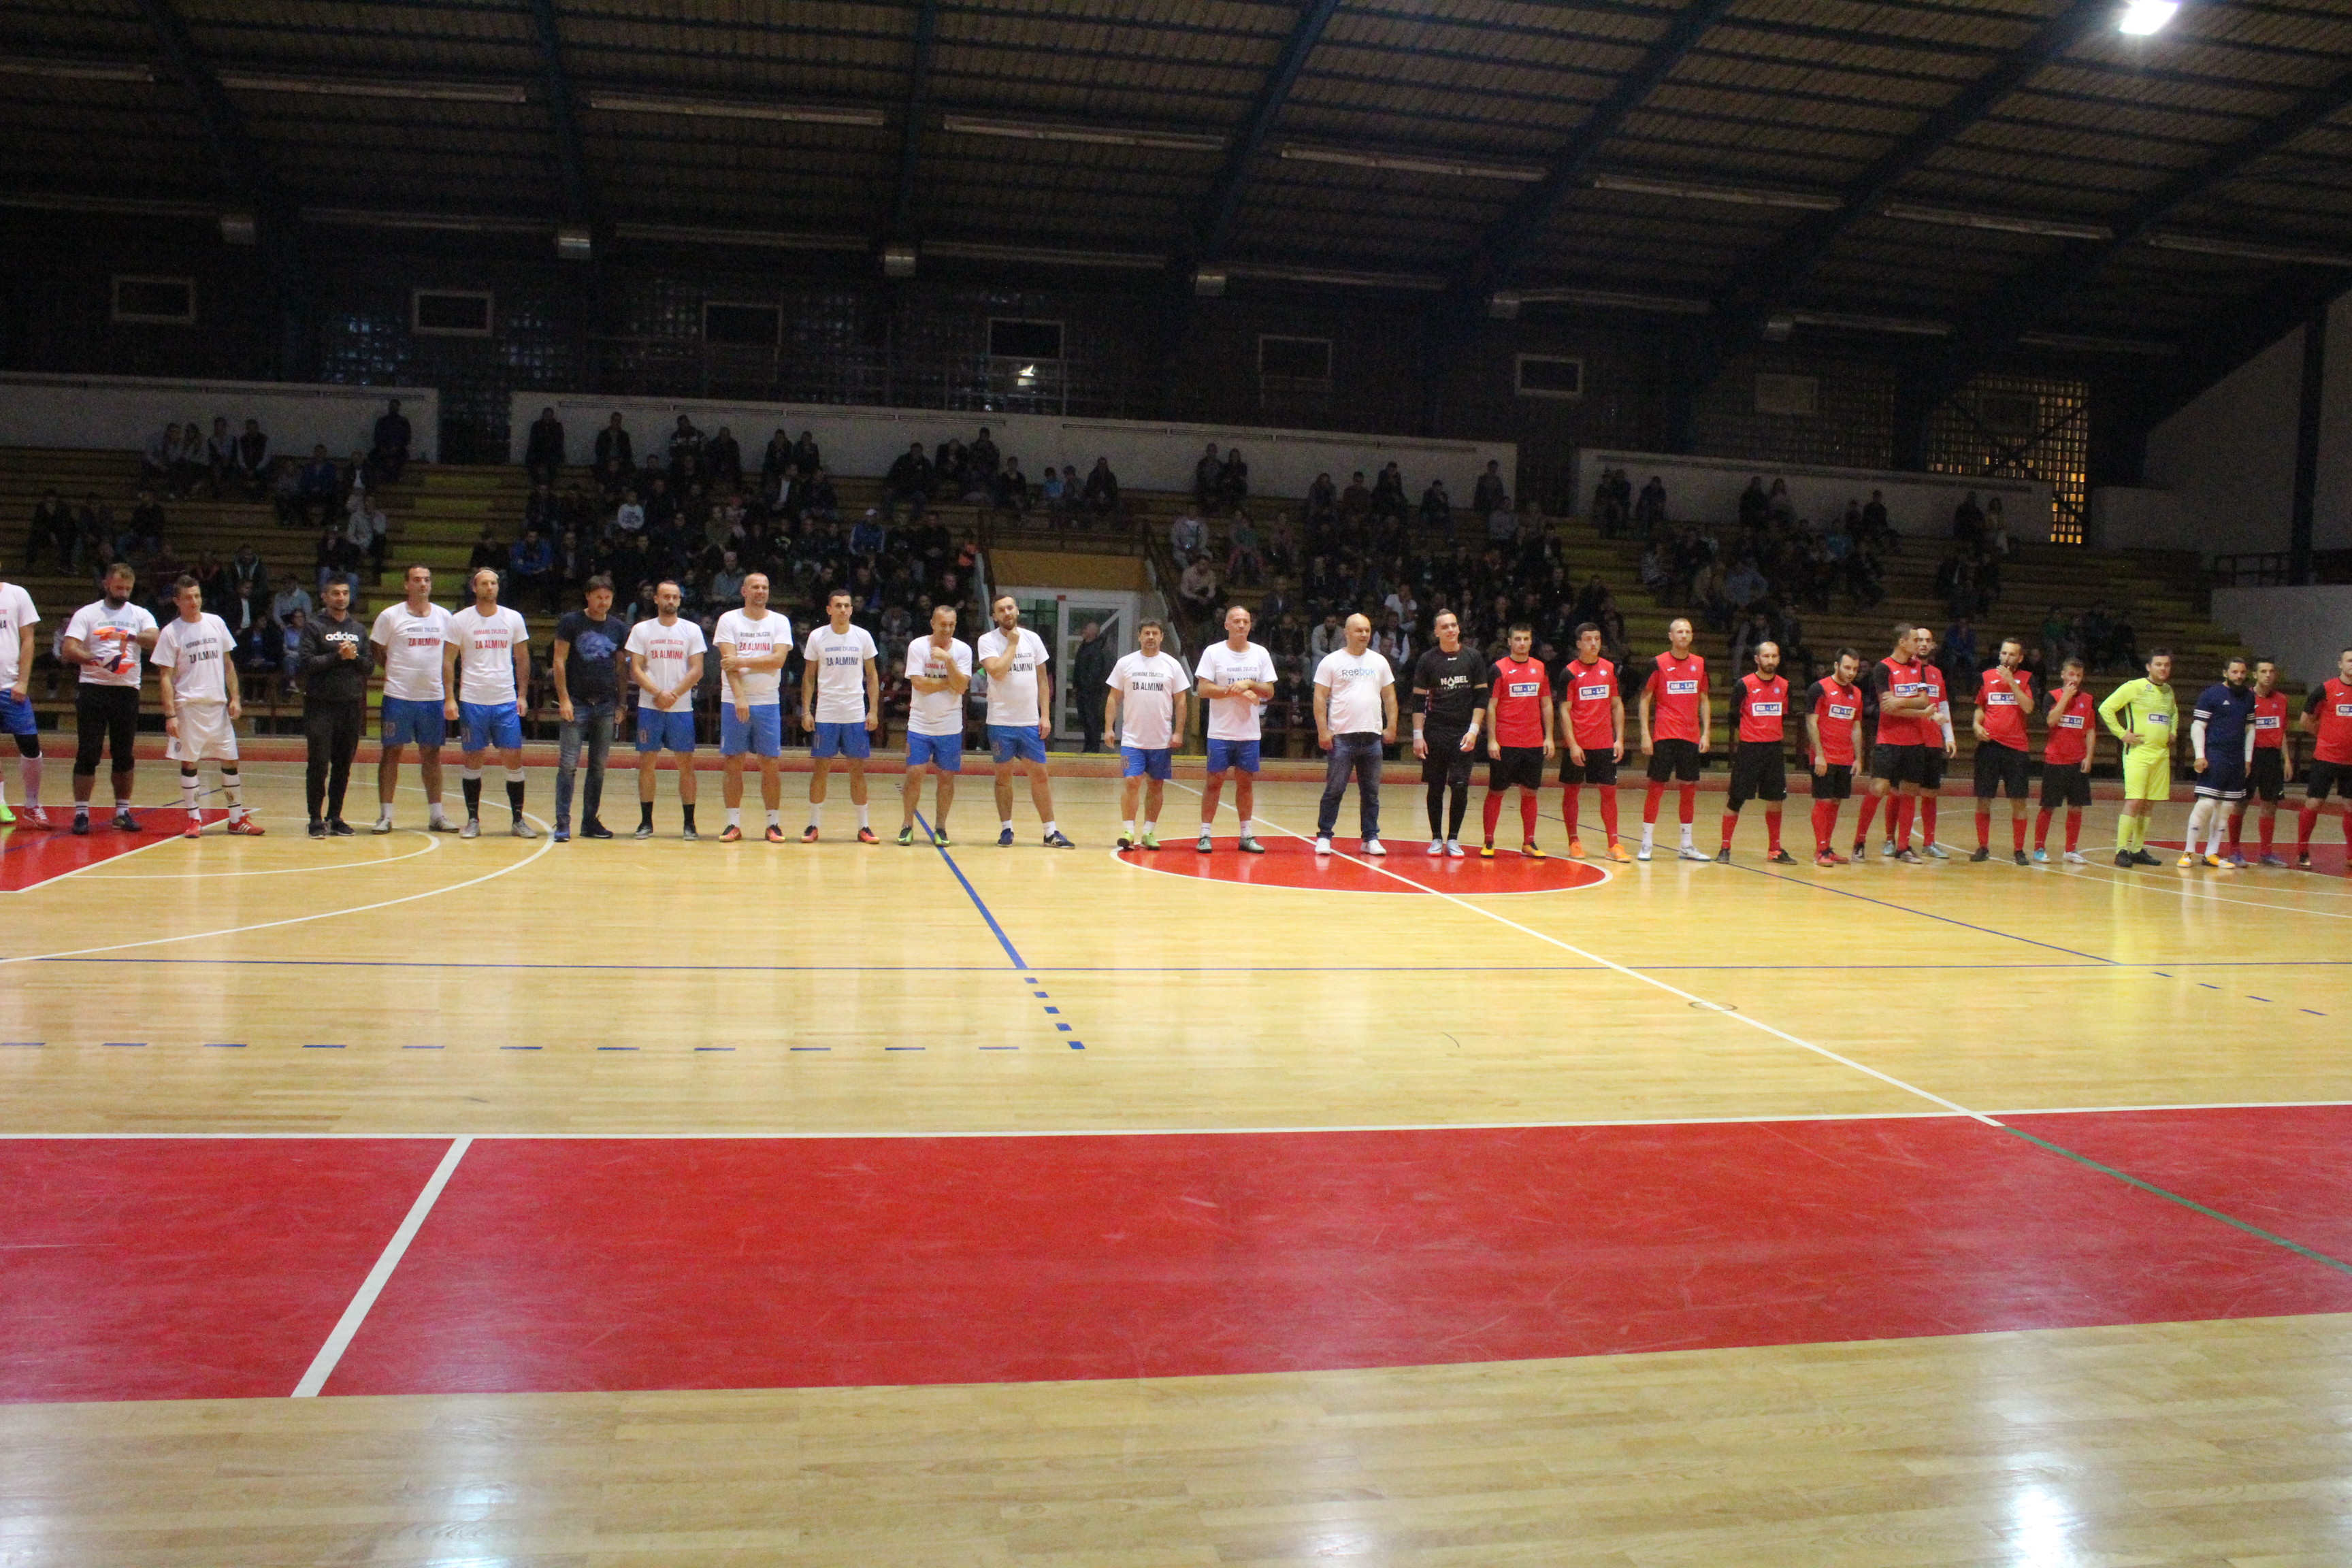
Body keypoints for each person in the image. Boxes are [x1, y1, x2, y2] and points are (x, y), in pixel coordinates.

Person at [152, 574, 261, 840]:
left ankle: (236, 819)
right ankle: (194, 819)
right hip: (188, 706)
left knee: (230, 760)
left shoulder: (216, 623)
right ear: (177, 601)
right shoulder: (171, 632)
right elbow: (165, 677)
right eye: (188, 597)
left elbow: (228, 664)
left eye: (197, 596)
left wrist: (235, 697)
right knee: (190, 762)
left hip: (217, 706)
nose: (194, 601)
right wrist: (170, 714)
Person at [61, 564, 159, 835]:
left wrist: (127, 635)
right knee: (88, 752)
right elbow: (68, 648)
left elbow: (155, 639)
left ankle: (122, 812)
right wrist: (94, 659)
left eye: (128, 588)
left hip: (126, 690)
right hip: (93, 688)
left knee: (124, 754)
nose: (123, 592)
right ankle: (81, 813)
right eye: (119, 588)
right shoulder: (88, 613)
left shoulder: (140, 614)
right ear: (106, 584)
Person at [441, 567, 536, 840]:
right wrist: (450, 697)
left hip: (505, 700)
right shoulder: (460, 620)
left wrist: (522, 695)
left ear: (498, 587)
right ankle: (473, 820)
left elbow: (523, 658)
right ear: (474, 588)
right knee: (473, 759)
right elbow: (448, 660)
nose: (489, 587)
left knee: (513, 758)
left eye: (493, 583)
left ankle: (518, 820)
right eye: (484, 583)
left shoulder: (513, 618)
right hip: (473, 700)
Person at [370, 566, 459, 834]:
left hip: (432, 697)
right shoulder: (390, 616)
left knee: (432, 754)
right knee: (391, 752)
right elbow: (377, 649)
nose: (422, 584)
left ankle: (437, 815)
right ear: (406, 584)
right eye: (417, 579)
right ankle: (386, 815)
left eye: (427, 580)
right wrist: (395, 672)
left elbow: (451, 656)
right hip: (399, 696)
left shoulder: (444, 617)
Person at [977, 595, 1072, 847]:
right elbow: (997, 672)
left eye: (1010, 608)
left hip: (1029, 722)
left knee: (1040, 776)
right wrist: (1012, 644)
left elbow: (1043, 680)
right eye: (1001, 610)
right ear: (995, 616)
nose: (1007, 613)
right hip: (1000, 722)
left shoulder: (1033, 639)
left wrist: (1045, 715)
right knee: (1003, 778)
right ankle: (1006, 829)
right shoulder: (987, 641)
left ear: (1017, 610)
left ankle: (1050, 832)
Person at [549, 574, 629, 842]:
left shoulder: (618, 627)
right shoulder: (571, 622)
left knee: (598, 768)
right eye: (598, 597)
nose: (603, 602)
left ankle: (590, 821)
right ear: (588, 597)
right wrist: (564, 699)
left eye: (607, 598)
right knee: (568, 765)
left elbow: (621, 668)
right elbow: (559, 661)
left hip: (606, 704)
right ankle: (562, 822)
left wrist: (622, 703)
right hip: (577, 702)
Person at [625, 579, 706, 840]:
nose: (671, 601)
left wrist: (674, 695)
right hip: (650, 706)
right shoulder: (641, 630)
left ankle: (689, 824)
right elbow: (635, 669)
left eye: (675, 597)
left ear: (680, 600)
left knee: (686, 765)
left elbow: (697, 669)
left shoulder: (692, 630)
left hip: (680, 708)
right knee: (647, 764)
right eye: (666, 596)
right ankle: (646, 822)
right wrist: (658, 693)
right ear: (656, 599)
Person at [714, 572, 791, 843]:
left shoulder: (780, 621)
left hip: (768, 701)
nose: (761, 591)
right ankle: (733, 824)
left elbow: (778, 660)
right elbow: (728, 663)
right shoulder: (729, 620)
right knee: (733, 763)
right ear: (744, 591)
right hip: (734, 701)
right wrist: (740, 697)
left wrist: (742, 661)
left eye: (765, 587)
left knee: (770, 765)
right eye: (755, 587)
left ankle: (773, 824)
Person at [1311, 612, 1398, 856]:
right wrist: (1323, 731)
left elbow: (1389, 697)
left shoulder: (1379, 661)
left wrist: (1392, 726)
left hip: (1372, 738)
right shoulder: (1331, 662)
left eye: (1367, 630)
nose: (1364, 634)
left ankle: (1370, 838)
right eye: (1359, 630)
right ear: (1346, 633)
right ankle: (1324, 836)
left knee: (1371, 793)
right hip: (1342, 738)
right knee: (1334, 790)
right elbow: (1320, 698)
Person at [800, 588, 881, 843]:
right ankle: (813, 824)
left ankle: (864, 826)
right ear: (829, 609)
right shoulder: (817, 636)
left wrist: (873, 710)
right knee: (820, 771)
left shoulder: (863, 636)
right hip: (826, 713)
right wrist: (806, 710)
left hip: (855, 713)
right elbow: (809, 677)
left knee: (857, 771)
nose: (843, 610)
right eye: (838, 606)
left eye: (847, 605)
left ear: (852, 610)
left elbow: (872, 676)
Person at [1852, 625, 1938, 865]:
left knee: (1910, 792)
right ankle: (1859, 843)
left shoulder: (1918, 667)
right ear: (1902, 642)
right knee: (1878, 789)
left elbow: (1924, 700)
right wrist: (1918, 711)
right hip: (1889, 740)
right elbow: (1887, 708)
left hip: (1915, 741)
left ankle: (1904, 847)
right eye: (1915, 640)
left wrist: (1900, 701)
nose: (1920, 644)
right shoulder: (1883, 668)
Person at [1194, 604, 1275, 855]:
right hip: (1220, 732)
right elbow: (1203, 689)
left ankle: (1246, 835)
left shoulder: (1260, 653)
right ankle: (1205, 834)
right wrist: (1235, 691)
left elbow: (1269, 691)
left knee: (1246, 783)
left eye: (1246, 621)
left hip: (1248, 733)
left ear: (1250, 626)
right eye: (1236, 621)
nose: (1241, 625)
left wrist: (1249, 683)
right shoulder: (1213, 652)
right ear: (1227, 625)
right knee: (1214, 782)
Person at [1106, 619, 1191, 851]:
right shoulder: (1126, 663)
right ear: (1139, 636)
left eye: (1155, 633)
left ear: (1162, 637)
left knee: (1156, 785)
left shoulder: (1172, 665)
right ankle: (1128, 831)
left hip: (1161, 740)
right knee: (1132, 781)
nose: (1151, 637)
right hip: (1133, 739)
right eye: (1146, 633)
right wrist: (1109, 727)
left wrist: (1179, 731)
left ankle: (1148, 832)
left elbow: (1181, 701)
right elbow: (1113, 697)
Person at [1410, 609, 1486, 858]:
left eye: (1454, 625)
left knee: (1461, 785)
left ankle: (1453, 839)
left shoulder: (1473, 657)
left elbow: (1481, 699)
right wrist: (1418, 735)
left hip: (1463, 732)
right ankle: (1436, 838)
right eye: (1445, 627)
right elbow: (1418, 702)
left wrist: (1473, 731)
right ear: (1436, 632)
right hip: (1435, 731)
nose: (1451, 630)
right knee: (1436, 786)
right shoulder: (1427, 660)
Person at [297, 576, 369, 836]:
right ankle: (315, 819)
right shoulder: (314, 627)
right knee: (318, 763)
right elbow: (306, 663)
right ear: (325, 597)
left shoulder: (358, 629)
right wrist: (338, 656)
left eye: (345, 593)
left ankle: (335, 816)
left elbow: (369, 667)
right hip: (320, 705)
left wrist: (354, 656)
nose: (341, 598)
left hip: (350, 705)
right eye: (336, 593)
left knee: (343, 764)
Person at [1635, 617, 1710, 862]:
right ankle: (1646, 843)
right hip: (1664, 735)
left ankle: (1686, 845)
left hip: (1690, 736)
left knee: (1688, 789)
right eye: (1679, 631)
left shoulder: (1700, 664)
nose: (1684, 635)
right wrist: (1645, 734)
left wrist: (1706, 732)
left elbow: (1704, 700)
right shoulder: (1657, 663)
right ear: (1671, 636)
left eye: (1688, 631)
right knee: (1656, 787)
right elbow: (1645, 699)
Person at [2097, 648, 2178, 868]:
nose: (2163, 669)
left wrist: (2173, 731)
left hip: (2160, 754)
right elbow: (2106, 708)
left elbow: (2173, 712)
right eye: (2159, 665)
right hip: (2138, 754)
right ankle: (2121, 850)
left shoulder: (2168, 691)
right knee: (2134, 801)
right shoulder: (2134, 687)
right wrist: (2122, 734)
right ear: (2149, 667)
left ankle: (2137, 849)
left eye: (2167, 665)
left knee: (2148, 803)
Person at [900, 604, 973, 846]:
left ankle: (941, 827)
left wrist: (949, 662)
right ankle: (907, 825)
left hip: (950, 726)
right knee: (914, 775)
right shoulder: (918, 646)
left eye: (952, 625)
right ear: (933, 624)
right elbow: (919, 684)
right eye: (943, 624)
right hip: (920, 723)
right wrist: (950, 683)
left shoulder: (962, 650)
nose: (947, 629)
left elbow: (962, 687)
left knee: (946, 778)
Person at [1556, 621, 1627, 862]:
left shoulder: (1609, 669)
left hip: (1604, 743)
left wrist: (1619, 739)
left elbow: (1616, 705)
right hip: (1579, 744)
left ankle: (1614, 844)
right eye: (1588, 639)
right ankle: (1574, 841)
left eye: (1597, 638)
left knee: (1609, 793)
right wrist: (1573, 744)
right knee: (1572, 792)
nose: (1594, 643)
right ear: (1579, 644)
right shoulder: (1569, 673)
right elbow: (1564, 711)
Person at [1481, 623, 1553, 859]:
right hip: (1506, 741)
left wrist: (1549, 737)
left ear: (1531, 642)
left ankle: (1529, 842)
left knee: (1530, 793)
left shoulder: (1540, 668)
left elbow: (1546, 703)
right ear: (1510, 642)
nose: (1522, 643)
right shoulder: (1498, 669)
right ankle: (1489, 841)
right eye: (1518, 639)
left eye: (1526, 639)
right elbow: (1491, 706)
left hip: (1533, 742)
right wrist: (1492, 740)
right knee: (1497, 791)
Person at [1718, 640, 1793, 862]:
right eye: (1766, 656)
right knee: (1736, 799)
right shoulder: (1744, 685)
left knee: (1776, 799)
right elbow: (1733, 716)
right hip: (1749, 750)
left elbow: (1784, 714)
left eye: (1774, 656)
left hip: (1774, 750)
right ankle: (1725, 848)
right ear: (1757, 659)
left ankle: (1775, 850)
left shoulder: (1785, 686)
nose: (1771, 660)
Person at [2183, 657, 2255, 869]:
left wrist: (2248, 759)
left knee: (2226, 808)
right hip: (2215, 756)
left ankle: (2211, 854)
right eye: (2235, 672)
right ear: (2225, 673)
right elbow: (2198, 726)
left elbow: (2250, 729)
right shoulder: (2211, 694)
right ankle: (2188, 852)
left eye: (2242, 672)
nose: (2239, 676)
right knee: (2206, 804)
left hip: (2236, 759)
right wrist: (2200, 755)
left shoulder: (2249, 697)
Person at [1969, 637, 2036, 865]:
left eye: (2012, 654)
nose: (2006, 658)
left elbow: (2028, 707)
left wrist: (2012, 683)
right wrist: (1976, 725)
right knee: (1983, 799)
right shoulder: (1986, 677)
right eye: (2004, 653)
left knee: (2018, 801)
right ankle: (1983, 847)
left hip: (2016, 749)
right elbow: (1981, 707)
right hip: (1989, 747)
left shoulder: (2027, 679)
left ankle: (2019, 850)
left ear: (2020, 658)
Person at [2032, 657, 2097, 864]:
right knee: (2048, 807)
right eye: (2071, 674)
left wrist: (2089, 756)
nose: (2075, 679)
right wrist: (2066, 698)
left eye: (2079, 675)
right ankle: (2039, 848)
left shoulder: (2088, 699)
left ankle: (2071, 850)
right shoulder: (2052, 696)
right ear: (2062, 675)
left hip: (2077, 762)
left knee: (2076, 807)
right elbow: (2051, 721)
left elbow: (2090, 730)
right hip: (2055, 761)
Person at [1804, 649, 1865, 866]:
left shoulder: (1857, 693)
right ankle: (1820, 850)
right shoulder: (1819, 688)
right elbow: (1811, 723)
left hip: (1845, 758)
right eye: (1847, 668)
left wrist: (1858, 758)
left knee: (1836, 802)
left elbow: (1856, 726)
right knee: (1824, 801)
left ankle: (1827, 848)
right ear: (1836, 666)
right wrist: (1819, 755)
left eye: (1855, 669)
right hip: (1824, 757)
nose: (1851, 673)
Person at [2293, 645, 2352, 868]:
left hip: (2351, 761)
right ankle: (2302, 850)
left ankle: (2351, 854)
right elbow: (2305, 720)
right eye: (2349, 661)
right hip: (2326, 758)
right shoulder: (2326, 689)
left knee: (2350, 807)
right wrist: (2325, 737)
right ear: (2340, 664)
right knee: (2314, 802)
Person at [2230, 659, 2293, 867]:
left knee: (2270, 804)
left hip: (2272, 757)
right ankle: (2234, 851)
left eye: (2271, 671)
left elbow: (2282, 730)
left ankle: (2266, 853)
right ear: (2255, 675)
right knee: (2241, 803)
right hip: (2250, 756)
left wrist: (2287, 759)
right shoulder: (2246, 697)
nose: (2268, 675)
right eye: (2263, 671)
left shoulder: (2281, 699)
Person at [0, 556, 44, 826]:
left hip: (11, 686)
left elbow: (28, 640)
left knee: (31, 748)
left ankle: (32, 804)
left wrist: (23, 681)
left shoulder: (17, 594)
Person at [1908, 624, 1957, 858]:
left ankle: (1929, 842)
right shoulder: (1904, 670)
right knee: (1902, 793)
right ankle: (1893, 840)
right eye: (1919, 640)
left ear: (1933, 645)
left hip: (1933, 742)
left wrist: (1949, 736)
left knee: (1930, 793)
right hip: (1909, 741)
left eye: (1928, 640)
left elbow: (1943, 706)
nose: (1924, 644)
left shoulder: (1937, 674)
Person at [1073, 619, 1115, 753]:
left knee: (1092, 720)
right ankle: (1088, 746)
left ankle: (1093, 748)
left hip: (1091, 693)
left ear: (1092, 632)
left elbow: (1095, 672)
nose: (1084, 631)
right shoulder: (1084, 646)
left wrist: (1087, 689)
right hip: (1082, 691)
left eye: (1086, 629)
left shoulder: (1096, 649)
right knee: (1085, 720)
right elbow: (1078, 668)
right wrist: (1076, 686)